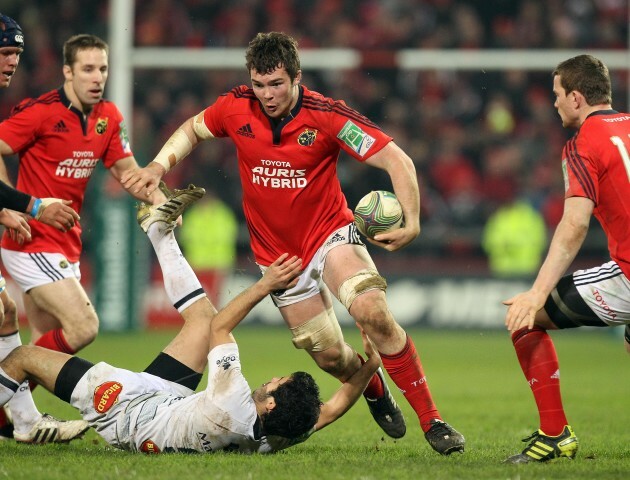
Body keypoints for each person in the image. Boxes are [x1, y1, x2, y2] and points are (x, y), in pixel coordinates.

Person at [122, 32, 465, 455]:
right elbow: (192, 130)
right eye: (259, 84)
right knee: (332, 360)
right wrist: (158, 165)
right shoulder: (235, 107)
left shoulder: (327, 116)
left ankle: (433, 421)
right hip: (280, 259)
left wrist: (412, 221)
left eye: (277, 84)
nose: (267, 95)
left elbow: (397, 159)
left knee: (372, 313)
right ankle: (374, 387)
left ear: (297, 77)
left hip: (330, 234)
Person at [0, 184, 383, 453]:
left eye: (274, 384)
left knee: (21, 359)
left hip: (126, 412)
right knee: (199, 319)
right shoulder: (281, 432)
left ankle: (23, 424)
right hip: (171, 402)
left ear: (269, 405)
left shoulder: (233, 401)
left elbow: (222, 327)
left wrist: (266, 284)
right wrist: (373, 363)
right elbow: (330, 410)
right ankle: (158, 231)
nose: (269, 380)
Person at [0, 33, 166, 361]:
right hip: (32, 241)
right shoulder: (41, 113)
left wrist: (161, 201)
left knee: (45, 343)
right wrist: (9, 205)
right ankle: (11, 376)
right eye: (88, 69)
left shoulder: (109, 117)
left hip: (66, 242)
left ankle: (13, 412)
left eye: (102, 69)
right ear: (68, 72)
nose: (97, 77)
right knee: (84, 326)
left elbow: (128, 173)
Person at [502, 54, 630, 463]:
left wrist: (536, 294)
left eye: (557, 95)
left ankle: (555, 435)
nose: (553, 103)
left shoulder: (583, 145)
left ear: (576, 98)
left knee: (527, 319)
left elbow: (574, 225)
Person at [0, 13, 87, 443]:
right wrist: (31, 205)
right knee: (80, 326)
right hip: (34, 240)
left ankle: (24, 421)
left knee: (5, 315)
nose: (12, 62)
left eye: (16, 53)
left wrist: (4, 208)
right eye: (4, 52)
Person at [178, 188, 238, 306]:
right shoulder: (194, 214)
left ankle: (218, 319)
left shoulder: (222, 213)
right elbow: (186, 236)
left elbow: (229, 234)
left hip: (218, 262)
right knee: (200, 297)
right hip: (199, 262)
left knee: (217, 297)